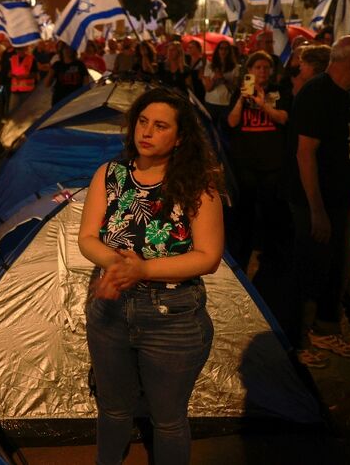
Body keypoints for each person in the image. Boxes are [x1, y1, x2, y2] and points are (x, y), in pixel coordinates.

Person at [79, 88, 223, 465]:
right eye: (142, 122)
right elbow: (87, 237)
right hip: (110, 311)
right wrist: (117, 266)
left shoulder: (198, 187)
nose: (147, 132)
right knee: (112, 410)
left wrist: (142, 270)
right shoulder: (110, 175)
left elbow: (208, 258)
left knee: (169, 419)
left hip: (172, 318)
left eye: (160, 126)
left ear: (179, 138)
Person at [289, 35, 350, 362]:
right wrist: (317, 210)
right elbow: (305, 155)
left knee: (337, 268)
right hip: (316, 204)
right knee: (313, 269)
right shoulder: (317, 95)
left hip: (340, 201)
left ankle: (326, 329)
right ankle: (301, 340)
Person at [225, 51, 291, 274]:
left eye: (266, 67)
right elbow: (232, 122)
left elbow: (283, 118)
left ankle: (269, 254)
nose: (262, 71)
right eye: (258, 68)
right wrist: (243, 100)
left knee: (270, 209)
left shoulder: (279, 91)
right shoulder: (241, 92)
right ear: (249, 71)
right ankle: (243, 252)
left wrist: (263, 104)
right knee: (246, 210)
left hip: (272, 161)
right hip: (246, 162)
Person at [202, 40, 238, 126]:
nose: (223, 51)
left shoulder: (235, 67)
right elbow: (208, 88)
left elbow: (234, 89)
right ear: (217, 50)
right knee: (210, 129)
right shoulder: (209, 66)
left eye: (226, 49)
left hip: (226, 103)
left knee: (225, 130)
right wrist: (214, 79)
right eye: (221, 48)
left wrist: (224, 80)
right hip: (211, 103)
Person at [46, 42, 88, 106]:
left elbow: (86, 83)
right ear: (61, 50)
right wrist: (51, 72)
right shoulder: (57, 65)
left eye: (70, 48)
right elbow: (47, 84)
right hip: (59, 100)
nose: (68, 50)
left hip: (76, 99)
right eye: (66, 48)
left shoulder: (80, 65)